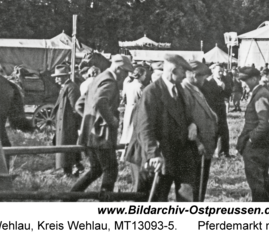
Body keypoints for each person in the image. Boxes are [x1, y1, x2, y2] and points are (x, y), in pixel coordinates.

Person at [124, 54, 198, 201]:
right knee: (154, 200)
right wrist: (153, 154)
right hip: (156, 156)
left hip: (176, 153)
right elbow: (144, 128)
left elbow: (185, 114)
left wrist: (192, 124)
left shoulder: (179, 89)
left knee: (187, 196)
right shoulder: (152, 92)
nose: (185, 76)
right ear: (174, 70)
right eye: (183, 72)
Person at [71, 54, 134, 196]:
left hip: (90, 135)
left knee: (96, 170)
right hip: (102, 137)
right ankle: (105, 205)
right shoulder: (109, 81)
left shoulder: (97, 78)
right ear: (118, 69)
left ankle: (69, 198)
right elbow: (100, 102)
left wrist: (92, 121)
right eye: (125, 72)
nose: (125, 77)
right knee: (111, 170)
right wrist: (111, 120)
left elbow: (79, 105)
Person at [236, 67, 269, 202]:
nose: (243, 84)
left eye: (245, 80)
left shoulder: (261, 95)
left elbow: (264, 123)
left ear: (254, 79)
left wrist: (251, 139)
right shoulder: (259, 92)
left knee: (257, 184)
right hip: (259, 145)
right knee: (262, 182)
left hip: (257, 147)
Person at [182, 61, 218, 201]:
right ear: (193, 75)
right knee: (193, 189)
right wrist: (197, 142)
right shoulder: (185, 90)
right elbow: (186, 121)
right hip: (195, 148)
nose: (204, 80)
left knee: (200, 188)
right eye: (202, 77)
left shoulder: (195, 88)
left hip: (203, 147)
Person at [51, 64, 83, 176]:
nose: (56, 79)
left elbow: (76, 107)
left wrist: (75, 125)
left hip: (68, 124)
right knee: (64, 147)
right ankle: (72, 169)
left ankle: (70, 171)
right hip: (63, 123)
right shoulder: (66, 87)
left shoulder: (72, 87)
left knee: (67, 147)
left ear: (65, 76)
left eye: (58, 76)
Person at [201, 64, 232, 157]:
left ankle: (223, 152)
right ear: (213, 71)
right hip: (212, 109)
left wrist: (224, 90)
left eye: (222, 71)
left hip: (221, 108)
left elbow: (228, 93)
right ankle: (211, 151)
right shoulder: (208, 82)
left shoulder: (224, 81)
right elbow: (208, 97)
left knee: (224, 130)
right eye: (219, 71)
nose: (221, 73)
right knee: (213, 130)